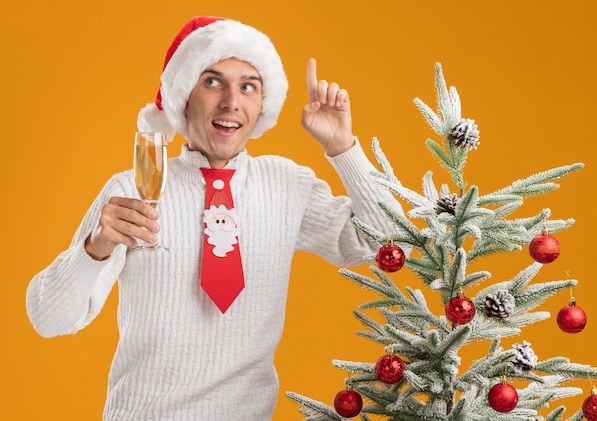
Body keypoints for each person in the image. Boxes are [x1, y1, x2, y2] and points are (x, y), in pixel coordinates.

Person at [26, 16, 403, 420]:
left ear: (262, 105)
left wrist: (342, 147)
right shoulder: (134, 188)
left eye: (248, 86)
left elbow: (388, 242)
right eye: (212, 81)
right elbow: (48, 318)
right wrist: (95, 248)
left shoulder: (287, 185)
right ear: (184, 96)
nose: (230, 101)